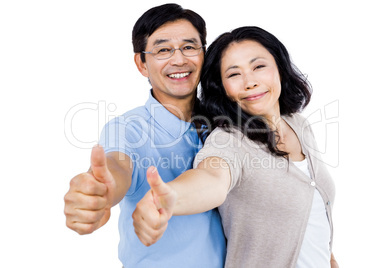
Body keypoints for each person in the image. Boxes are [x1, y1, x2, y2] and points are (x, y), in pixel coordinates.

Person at [133, 26, 339, 267]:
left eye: (258, 67)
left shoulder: (299, 125)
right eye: (233, 75)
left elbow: (316, 226)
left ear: (280, 69)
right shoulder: (228, 140)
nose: (249, 82)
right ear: (223, 89)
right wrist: (170, 198)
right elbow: (212, 179)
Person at [63, 4, 226, 267]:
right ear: (141, 63)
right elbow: (117, 165)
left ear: (204, 55)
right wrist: (102, 191)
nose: (179, 60)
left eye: (189, 47)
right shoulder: (127, 129)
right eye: (163, 50)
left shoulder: (223, 123)